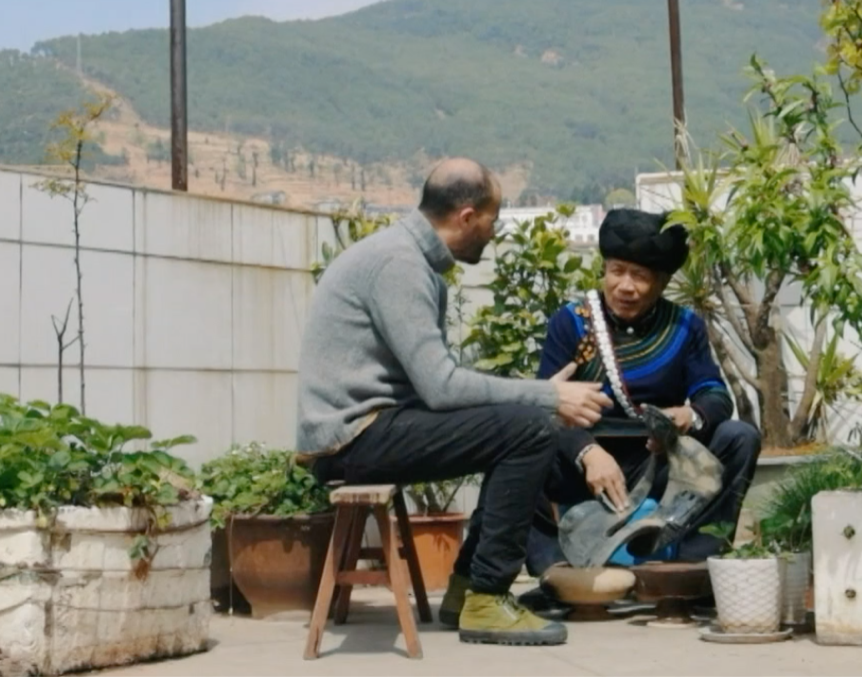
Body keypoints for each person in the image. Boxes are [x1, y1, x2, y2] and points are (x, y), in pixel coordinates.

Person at [295, 158, 611, 647]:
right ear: (467, 217)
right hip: (354, 437)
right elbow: (442, 388)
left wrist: (535, 398)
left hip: (372, 427)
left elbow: (436, 388)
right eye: (492, 220)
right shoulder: (399, 265)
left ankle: (467, 590)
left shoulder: (405, 258)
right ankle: (487, 595)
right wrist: (549, 395)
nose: (493, 233)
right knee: (532, 428)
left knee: (521, 423)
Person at [526, 207, 762, 575]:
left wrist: (688, 416)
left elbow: (714, 394)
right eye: (617, 271)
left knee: (739, 437)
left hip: (656, 460)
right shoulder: (571, 322)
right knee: (521, 441)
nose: (625, 286)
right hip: (583, 461)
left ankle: (692, 564)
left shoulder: (684, 325)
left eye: (639, 275)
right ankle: (553, 570)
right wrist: (587, 452)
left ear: (662, 282)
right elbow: (547, 406)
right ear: (604, 270)